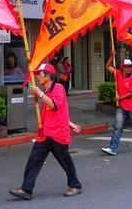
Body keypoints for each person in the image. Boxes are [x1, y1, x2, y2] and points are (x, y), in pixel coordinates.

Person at [9, 63, 82, 200]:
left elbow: (54, 105)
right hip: (45, 133)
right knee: (34, 160)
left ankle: (75, 185)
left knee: (65, 160)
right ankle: (26, 189)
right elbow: (59, 112)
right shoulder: (46, 91)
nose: (37, 77)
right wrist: (70, 123)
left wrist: (40, 93)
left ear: (48, 76)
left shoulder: (58, 88)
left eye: (40, 74)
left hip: (57, 134)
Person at [101, 51, 132, 156]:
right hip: (121, 107)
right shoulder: (118, 74)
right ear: (122, 67)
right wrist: (111, 56)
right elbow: (108, 66)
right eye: (126, 67)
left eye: (130, 67)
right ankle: (112, 149)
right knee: (117, 127)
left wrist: (120, 97)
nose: (128, 68)